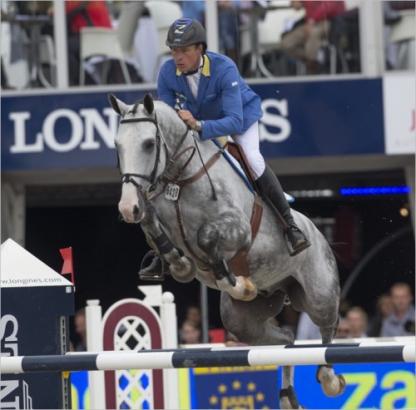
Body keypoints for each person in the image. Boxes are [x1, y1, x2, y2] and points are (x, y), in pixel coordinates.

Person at [141, 18, 310, 278]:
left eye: (184, 50)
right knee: (173, 169)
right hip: (198, 125)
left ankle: (290, 226)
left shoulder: (223, 67)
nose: (178, 57)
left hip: (238, 120)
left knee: (252, 159)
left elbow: (234, 120)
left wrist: (198, 125)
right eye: (174, 50)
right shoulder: (166, 73)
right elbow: (173, 119)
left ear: (200, 49)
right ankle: (163, 252)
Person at [280, 1, 346, 74]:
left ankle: (313, 63)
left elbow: (328, 5)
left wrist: (312, 20)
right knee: (286, 43)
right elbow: (297, 6)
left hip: (327, 21)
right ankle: (316, 58)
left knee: (313, 34)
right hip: (309, 23)